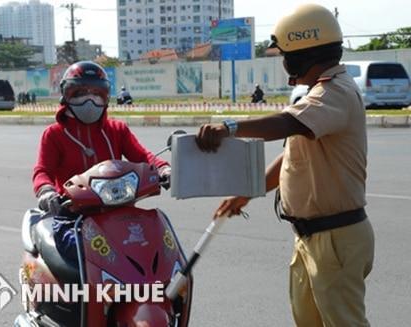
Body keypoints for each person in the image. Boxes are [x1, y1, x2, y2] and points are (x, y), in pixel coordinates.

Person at [195, 4, 374, 327]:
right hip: (311, 237)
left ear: (303, 54)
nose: (283, 63)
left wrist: (229, 128)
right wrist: (248, 192)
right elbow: (293, 158)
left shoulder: (335, 94)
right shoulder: (318, 95)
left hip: (334, 238)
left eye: (285, 55)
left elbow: (283, 124)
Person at [33, 61, 170, 261]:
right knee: (79, 253)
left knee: (156, 242)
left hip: (120, 210)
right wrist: (46, 191)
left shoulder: (117, 130)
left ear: (106, 96)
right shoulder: (54, 134)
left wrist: (164, 169)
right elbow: (42, 171)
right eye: (80, 93)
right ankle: (83, 293)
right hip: (74, 215)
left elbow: (143, 157)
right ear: (66, 95)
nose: (90, 100)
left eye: (97, 93)